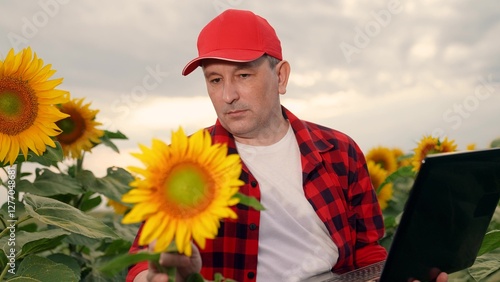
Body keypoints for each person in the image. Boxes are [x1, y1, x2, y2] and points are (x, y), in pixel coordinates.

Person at [127, 9, 448, 282]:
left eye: (243, 75)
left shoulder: (340, 151)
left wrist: (397, 274)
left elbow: (367, 249)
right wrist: (152, 276)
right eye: (215, 79)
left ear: (280, 77)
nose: (228, 95)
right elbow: (143, 255)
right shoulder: (184, 163)